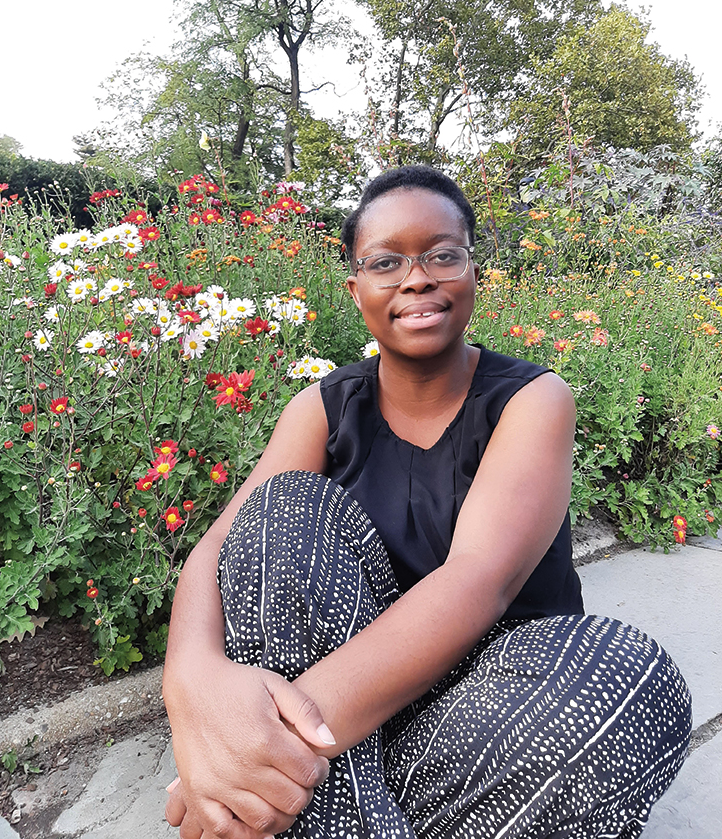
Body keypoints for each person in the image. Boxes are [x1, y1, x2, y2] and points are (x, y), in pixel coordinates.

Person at [163, 165, 691, 839]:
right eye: (387, 262)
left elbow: (478, 582)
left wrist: (257, 753)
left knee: (624, 676)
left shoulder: (530, 400)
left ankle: (290, 812)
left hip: (491, 707)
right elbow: (219, 545)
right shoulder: (324, 408)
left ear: (474, 271)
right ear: (356, 290)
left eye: (443, 254)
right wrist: (188, 686)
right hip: (360, 712)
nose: (417, 278)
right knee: (283, 512)